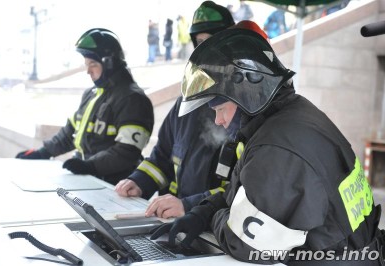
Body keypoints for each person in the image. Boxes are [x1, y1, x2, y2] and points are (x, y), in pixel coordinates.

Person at [150, 27, 385, 265]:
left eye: (220, 110)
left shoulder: (275, 147)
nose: (218, 121)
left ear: (245, 97)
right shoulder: (287, 117)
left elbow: (245, 244)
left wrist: (214, 219)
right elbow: (242, 193)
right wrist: (201, 211)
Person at [115, 1, 236, 219]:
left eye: (213, 42)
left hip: (216, 229)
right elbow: (162, 156)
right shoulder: (186, 103)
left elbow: (246, 190)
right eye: (199, 43)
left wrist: (189, 205)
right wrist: (139, 181)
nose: (205, 51)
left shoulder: (246, 106)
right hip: (178, 222)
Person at [16, 28, 154, 186]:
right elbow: (70, 132)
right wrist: (44, 152)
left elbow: (127, 151)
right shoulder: (92, 94)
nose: (88, 71)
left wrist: (91, 166)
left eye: (93, 64)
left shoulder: (133, 99)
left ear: (109, 63)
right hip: (90, 179)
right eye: (86, 64)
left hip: (114, 186)